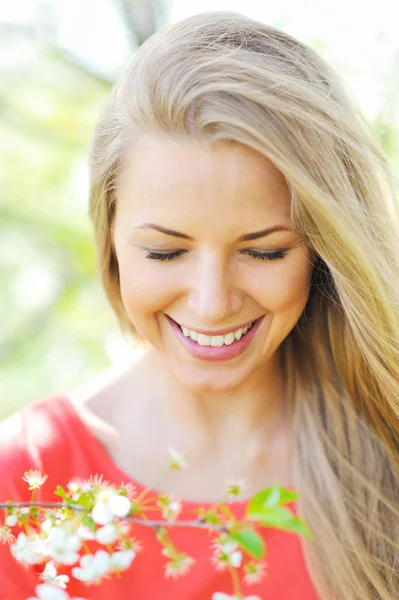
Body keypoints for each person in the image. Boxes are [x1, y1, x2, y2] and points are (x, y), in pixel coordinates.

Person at [1, 9, 398, 600]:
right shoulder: (27, 485)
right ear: (109, 237)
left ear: (323, 250)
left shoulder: (384, 454)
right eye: (165, 252)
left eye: (263, 253)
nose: (212, 304)